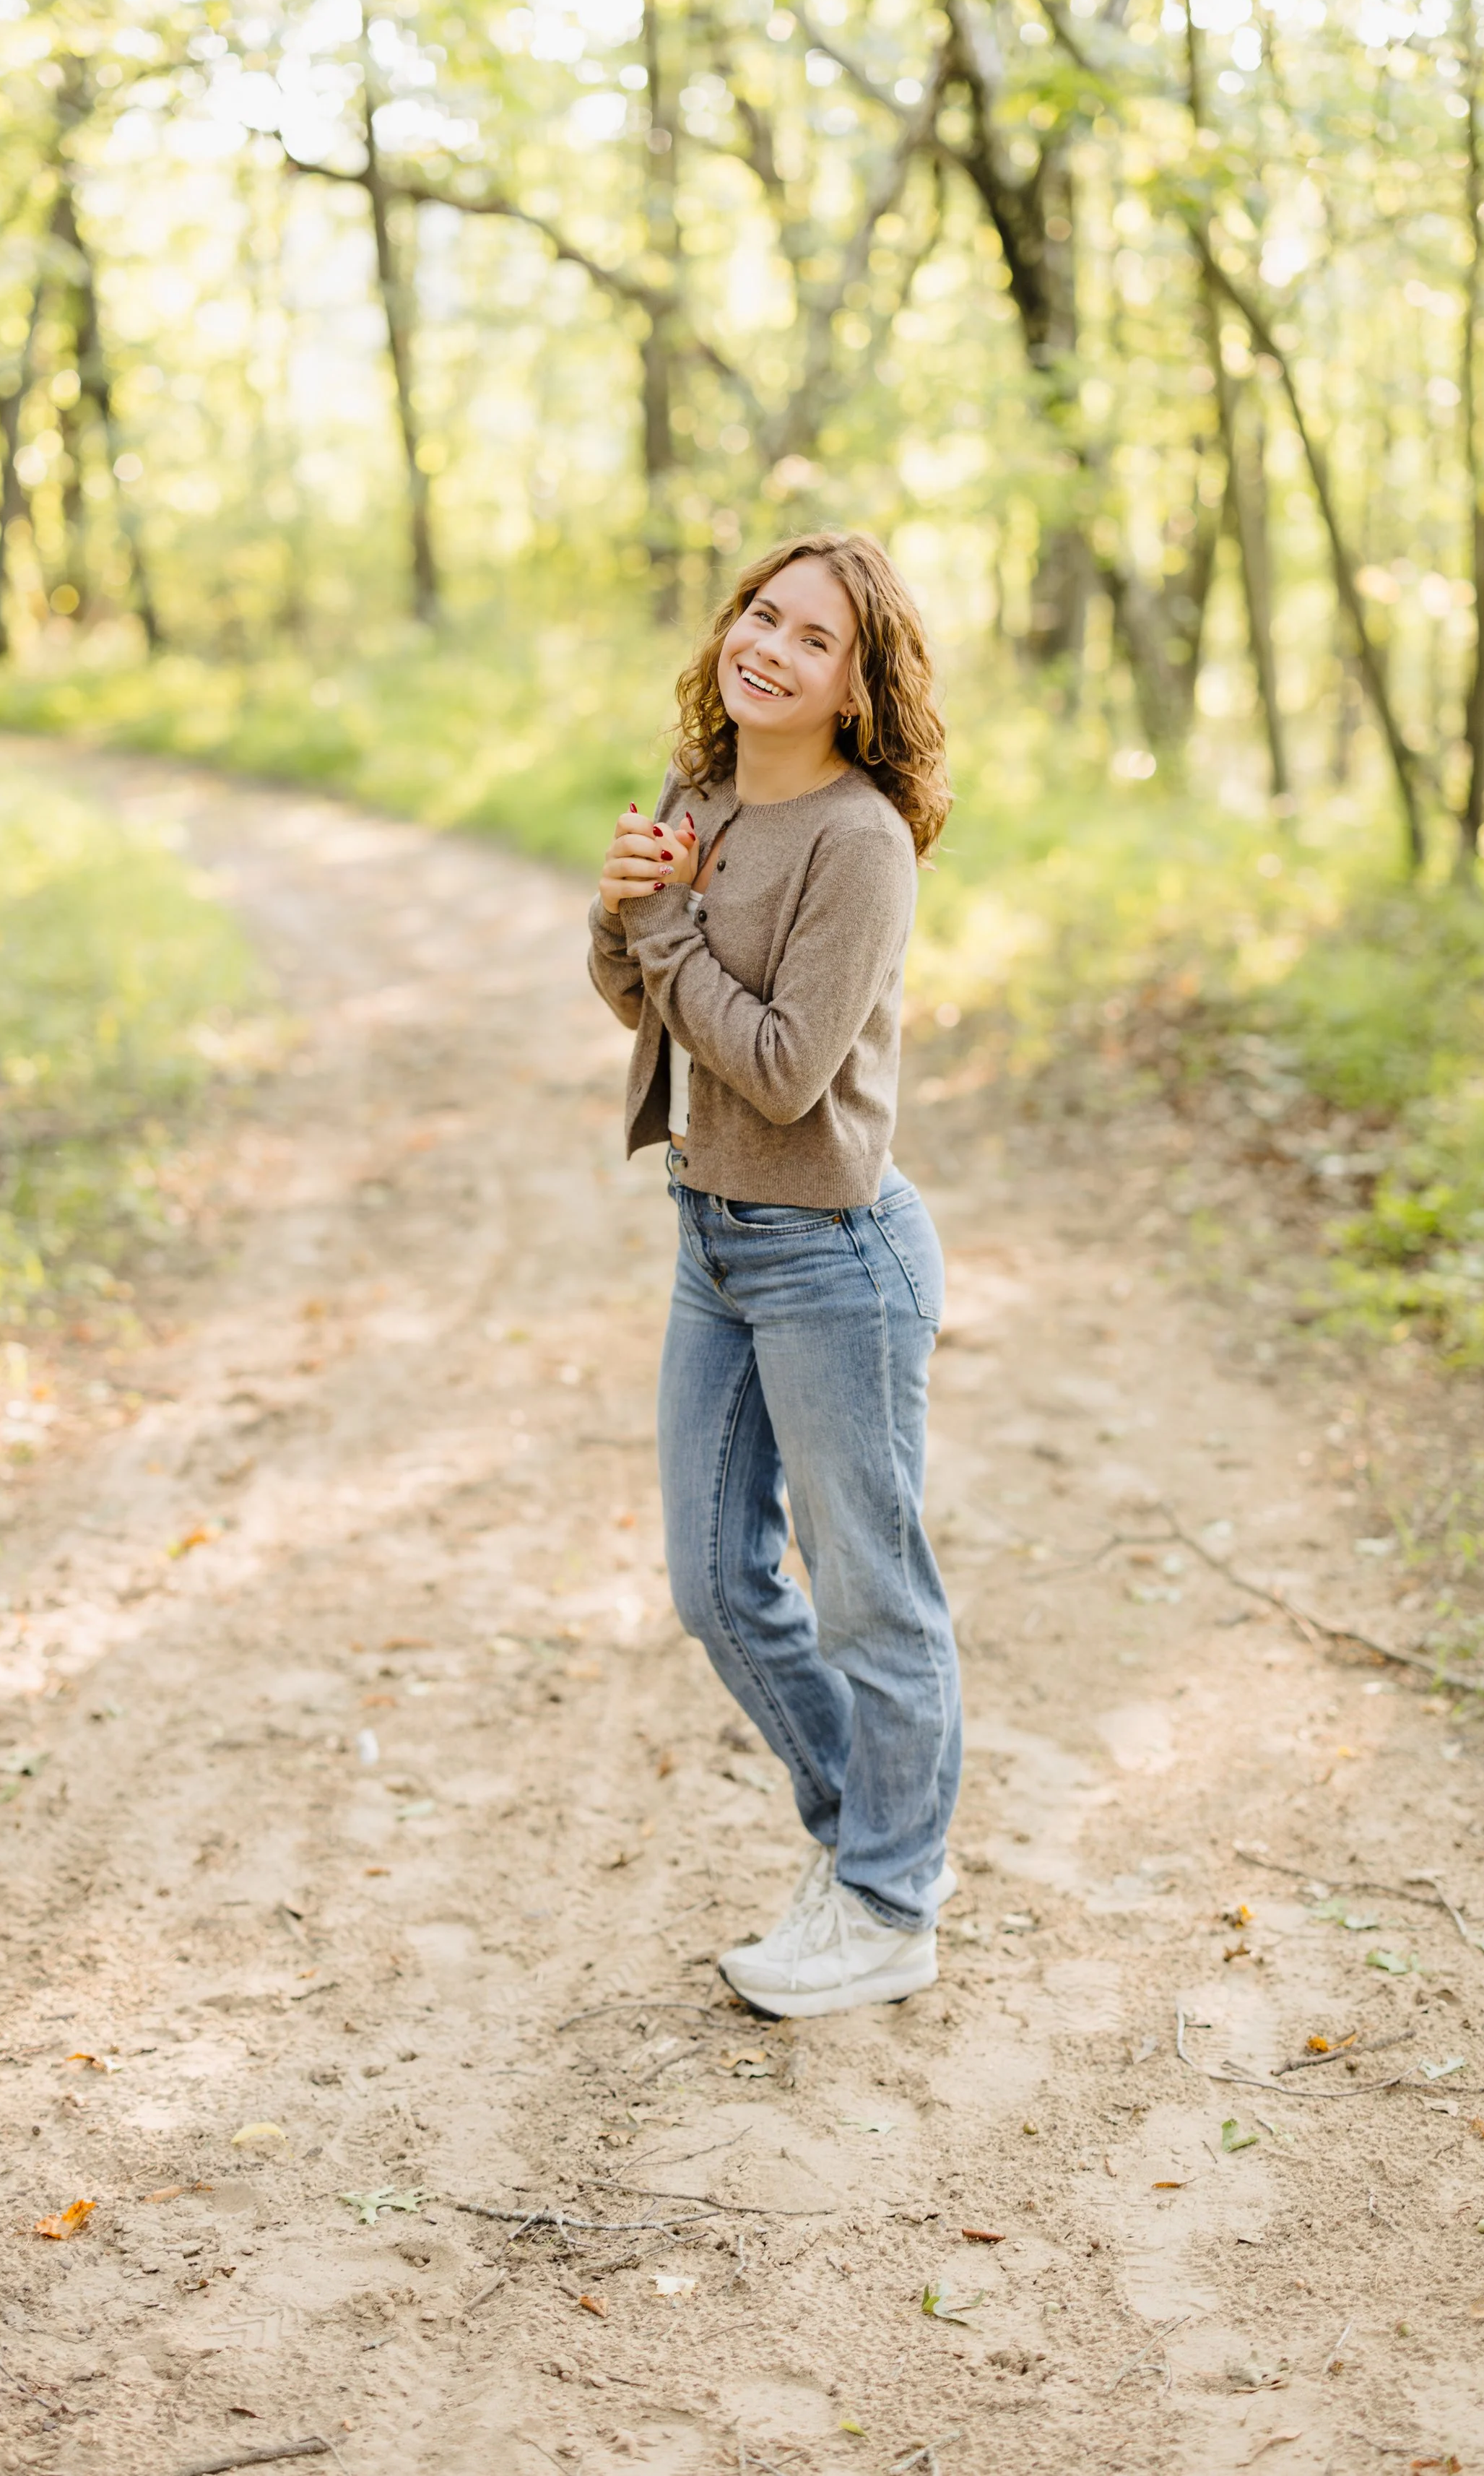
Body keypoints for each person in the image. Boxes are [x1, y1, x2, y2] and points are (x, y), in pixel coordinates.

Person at [587, 529, 961, 2020]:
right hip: (713, 1240)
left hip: (831, 1260)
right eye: (761, 613)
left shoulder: (859, 844)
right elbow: (643, 996)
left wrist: (661, 924)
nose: (769, 646)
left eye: (813, 639)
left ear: (858, 689)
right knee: (714, 1586)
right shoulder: (705, 788)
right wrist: (619, 908)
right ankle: (867, 1848)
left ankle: (885, 1901)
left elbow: (785, 1069)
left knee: (871, 1600)